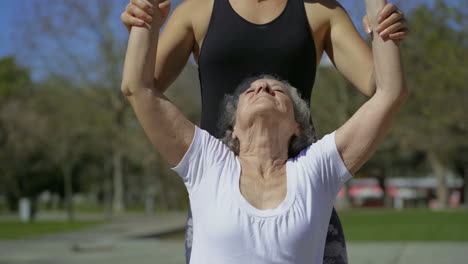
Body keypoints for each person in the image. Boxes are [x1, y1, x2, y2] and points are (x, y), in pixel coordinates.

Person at [120, 0, 409, 262]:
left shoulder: (320, 11)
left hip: (301, 189)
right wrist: (143, 23)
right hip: (217, 192)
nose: (261, 87)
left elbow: (381, 86)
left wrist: (383, 27)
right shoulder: (197, 10)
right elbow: (142, 87)